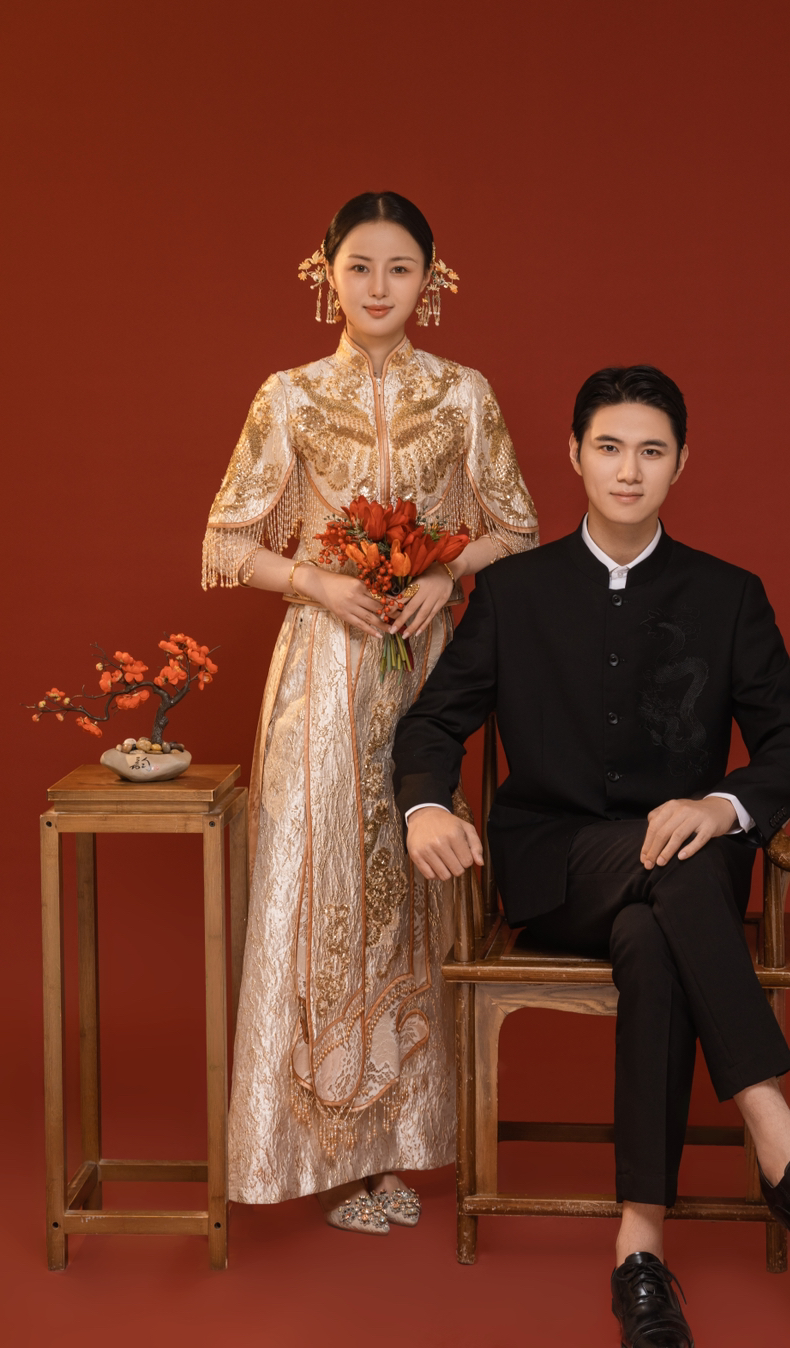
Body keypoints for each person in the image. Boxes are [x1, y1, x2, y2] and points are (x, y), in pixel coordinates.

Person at [393, 365, 790, 1344]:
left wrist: (720, 802)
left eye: (651, 451)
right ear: (575, 456)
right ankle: (779, 1137)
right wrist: (421, 808)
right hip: (555, 869)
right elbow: (433, 723)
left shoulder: (728, 595)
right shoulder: (514, 591)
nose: (629, 470)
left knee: (658, 935)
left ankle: (640, 1250)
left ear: (681, 464)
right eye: (610, 448)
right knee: (679, 878)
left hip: (676, 879)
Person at [202, 191, 538, 1233]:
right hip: (321, 674)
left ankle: (398, 1150)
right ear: (326, 274)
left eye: (400, 268)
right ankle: (315, 1151)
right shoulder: (289, 397)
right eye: (360, 266)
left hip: (428, 672)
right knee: (318, 888)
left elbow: (520, 527)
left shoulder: (465, 394)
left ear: (431, 281)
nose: (379, 286)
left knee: (412, 891)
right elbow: (224, 542)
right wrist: (314, 582)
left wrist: (444, 572)